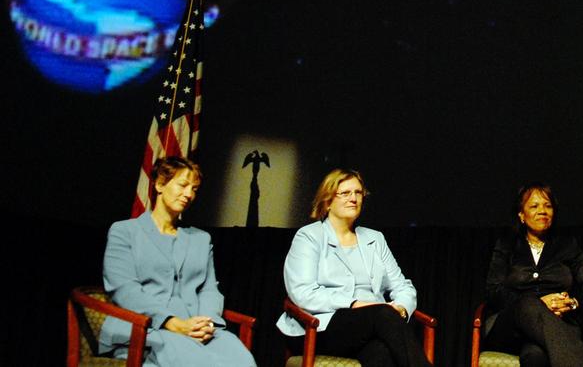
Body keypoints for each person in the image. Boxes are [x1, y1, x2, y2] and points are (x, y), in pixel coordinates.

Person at [100, 156, 256, 367]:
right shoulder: (125, 231)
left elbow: (209, 289)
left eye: (194, 189)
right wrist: (172, 322)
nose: (189, 194)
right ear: (159, 184)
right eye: (183, 185)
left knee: (241, 358)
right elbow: (124, 289)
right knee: (194, 360)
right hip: (144, 329)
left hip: (196, 330)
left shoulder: (201, 239)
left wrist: (206, 323)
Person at [276, 169, 429, 367]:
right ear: (328, 201)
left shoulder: (375, 239)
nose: (354, 199)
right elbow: (303, 293)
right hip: (319, 327)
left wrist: (400, 309)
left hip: (373, 328)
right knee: (382, 314)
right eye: (345, 193)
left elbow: (403, 286)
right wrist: (355, 304)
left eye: (358, 193)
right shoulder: (309, 237)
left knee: (381, 353)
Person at [483, 183, 583, 367]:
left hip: (558, 325)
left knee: (535, 355)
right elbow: (493, 290)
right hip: (510, 329)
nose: (542, 211)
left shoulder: (567, 245)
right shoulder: (507, 245)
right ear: (521, 215)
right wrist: (539, 304)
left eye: (548, 206)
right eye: (534, 206)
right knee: (527, 304)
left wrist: (572, 303)